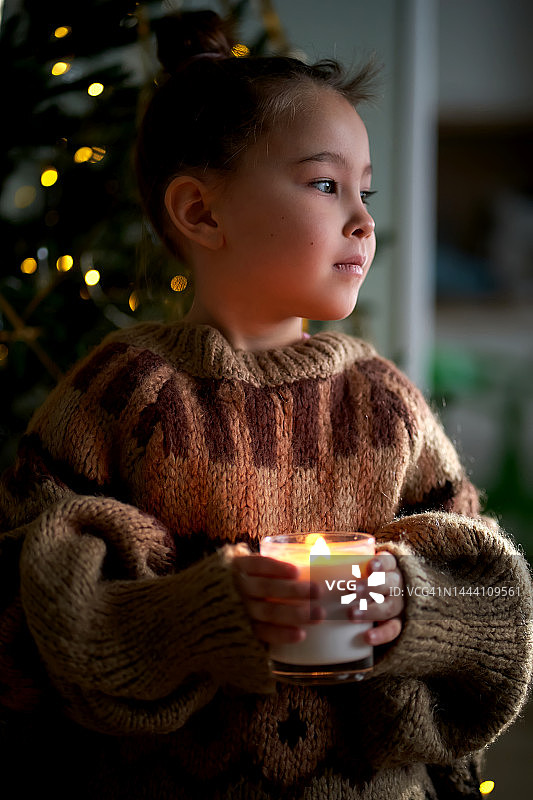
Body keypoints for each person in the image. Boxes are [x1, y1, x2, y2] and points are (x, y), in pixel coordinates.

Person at [0, 9, 531, 799]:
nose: (363, 219)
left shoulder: (385, 404)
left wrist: (406, 606)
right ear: (201, 212)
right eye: (325, 184)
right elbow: (24, 618)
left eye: (365, 191)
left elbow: (495, 598)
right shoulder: (116, 395)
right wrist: (201, 617)